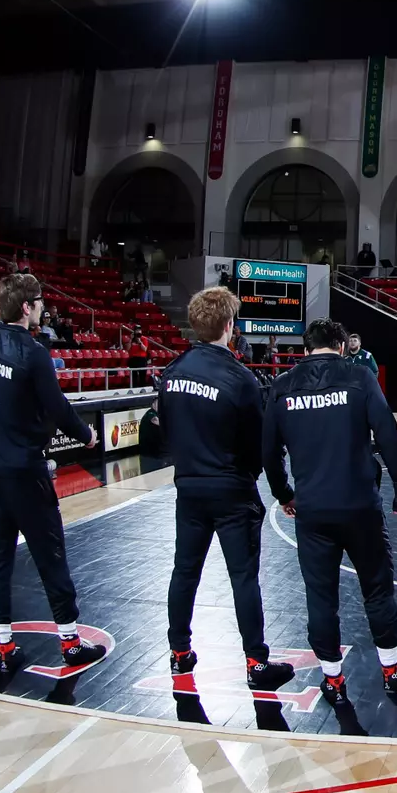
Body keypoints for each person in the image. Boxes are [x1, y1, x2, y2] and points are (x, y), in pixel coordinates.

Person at [262, 317, 397, 704]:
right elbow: (388, 435)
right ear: (343, 346)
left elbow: (267, 452)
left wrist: (285, 495)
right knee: (377, 589)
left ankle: (331, 679)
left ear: (304, 349)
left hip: (313, 510)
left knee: (320, 596)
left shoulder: (282, 387)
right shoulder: (360, 378)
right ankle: (391, 668)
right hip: (359, 505)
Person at [0, 274, 107, 673]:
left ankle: (5, 647)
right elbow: (58, 407)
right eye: (40, 302)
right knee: (51, 557)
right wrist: (86, 435)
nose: (43, 309)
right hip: (25, 471)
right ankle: (70, 642)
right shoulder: (32, 352)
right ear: (26, 307)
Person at [160, 287, 295, 693]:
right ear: (229, 326)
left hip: (190, 488)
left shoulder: (172, 373)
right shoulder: (240, 379)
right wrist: (281, 491)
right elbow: (259, 444)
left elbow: (166, 429)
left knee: (185, 571)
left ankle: (179, 652)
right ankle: (256, 661)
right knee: (243, 578)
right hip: (232, 488)